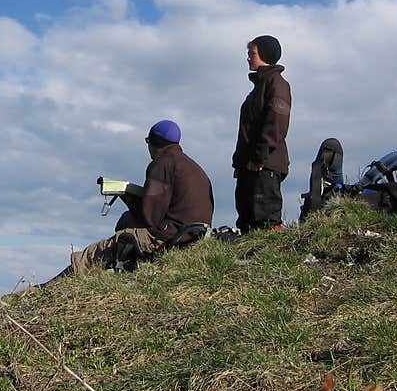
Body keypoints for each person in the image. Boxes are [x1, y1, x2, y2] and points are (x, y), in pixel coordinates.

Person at [45, 119, 214, 282]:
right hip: (194, 235)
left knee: (101, 250)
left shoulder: (162, 164)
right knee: (127, 219)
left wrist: (129, 197)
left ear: (154, 143)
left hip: (172, 237)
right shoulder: (194, 167)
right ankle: (125, 265)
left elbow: (151, 218)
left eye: (148, 141)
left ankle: (49, 286)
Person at [232, 35, 291, 233]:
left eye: (252, 53)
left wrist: (259, 158)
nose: (248, 58)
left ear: (264, 55)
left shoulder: (277, 84)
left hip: (265, 167)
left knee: (265, 223)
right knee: (248, 223)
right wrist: (240, 163)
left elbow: (276, 123)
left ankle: (272, 263)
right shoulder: (259, 87)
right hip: (251, 166)